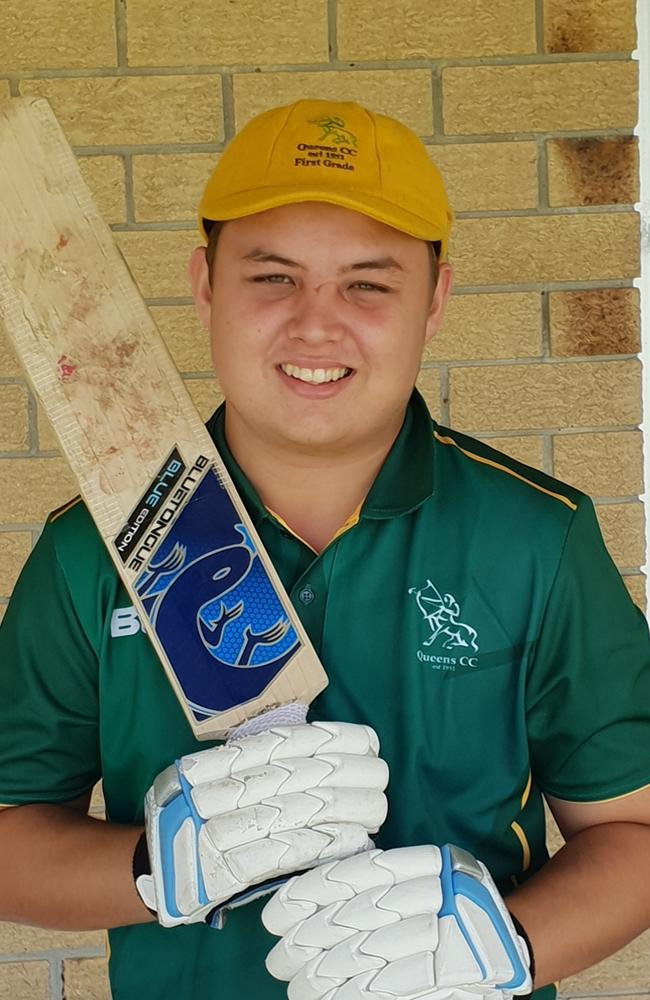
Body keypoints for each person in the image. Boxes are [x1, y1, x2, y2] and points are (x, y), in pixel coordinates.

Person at [0, 98, 649, 1000]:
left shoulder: (535, 536)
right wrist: (156, 867)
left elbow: (632, 833)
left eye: (367, 284)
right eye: (272, 278)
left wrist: (508, 944)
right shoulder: (97, 548)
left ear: (435, 301)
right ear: (204, 286)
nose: (316, 324)